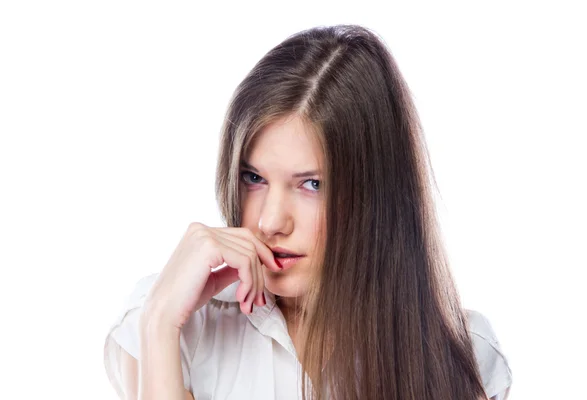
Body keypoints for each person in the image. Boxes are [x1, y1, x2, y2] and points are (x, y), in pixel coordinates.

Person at [103, 24, 513, 400]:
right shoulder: (173, 326)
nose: (270, 222)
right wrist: (159, 322)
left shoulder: (462, 357)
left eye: (311, 185)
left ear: (377, 198)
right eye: (254, 178)